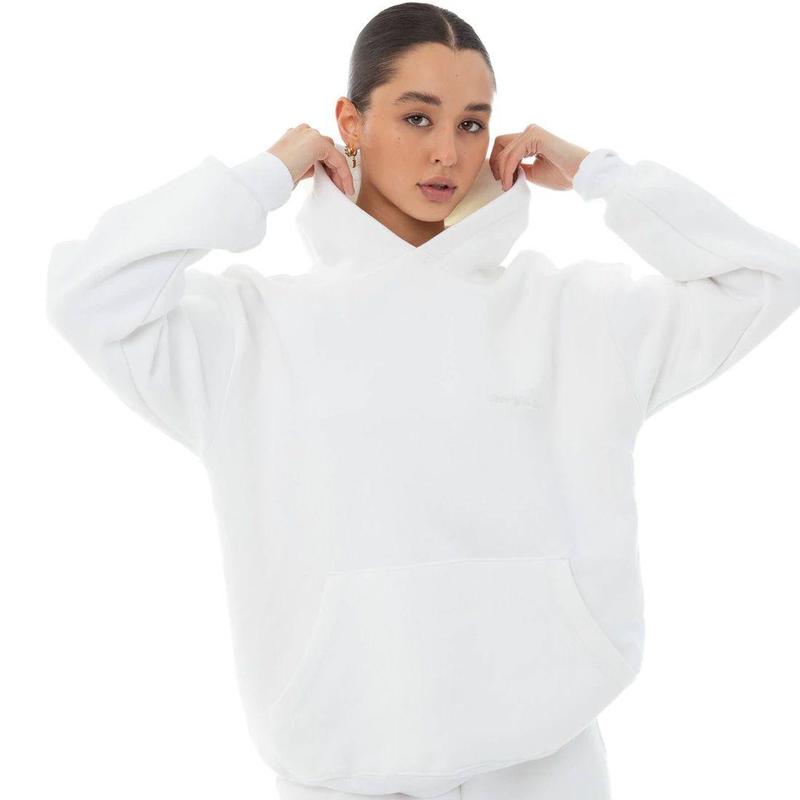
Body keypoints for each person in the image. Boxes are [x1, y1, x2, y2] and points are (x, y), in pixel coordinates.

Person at [44, 3, 800, 799]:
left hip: (548, 768)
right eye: (417, 117)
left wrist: (598, 175)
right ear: (351, 122)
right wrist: (262, 176)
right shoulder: (252, 331)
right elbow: (88, 295)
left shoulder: (574, 315)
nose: (449, 152)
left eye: (473, 123)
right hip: (341, 772)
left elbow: (764, 279)